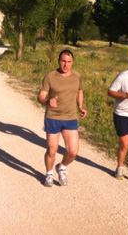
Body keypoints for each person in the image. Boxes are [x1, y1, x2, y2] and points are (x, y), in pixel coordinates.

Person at [38, 49, 87, 187]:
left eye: (69, 62)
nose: (66, 65)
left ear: (73, 62)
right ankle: (49, 174)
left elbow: (79, 92)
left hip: (70, 117)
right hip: (53, 117)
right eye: (63, 61)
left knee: (73, 152)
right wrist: (47, 102)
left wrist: (81, 107)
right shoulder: (50, 76)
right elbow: (41, 96)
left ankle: (62, 167)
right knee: (52, 149)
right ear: (59, 61)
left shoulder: (77, 76)